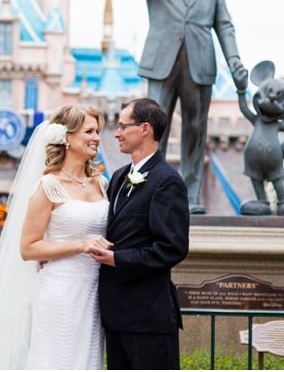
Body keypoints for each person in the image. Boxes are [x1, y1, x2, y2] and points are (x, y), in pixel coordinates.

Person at [0, 104, 111, 369]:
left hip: (95, 291)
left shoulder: (102, 183)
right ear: (67, 138)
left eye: (98, 131)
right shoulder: (48, 185)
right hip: (60, 290)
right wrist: (81, 245)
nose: (96, 137)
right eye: (89, 131)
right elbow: (28, 248)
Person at [127, 0, 248, 214]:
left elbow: (225, 25)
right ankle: (149, 191)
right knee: (153, 129)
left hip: (200, 63)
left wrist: (234, 60)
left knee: (196, 129)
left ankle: (191, 197)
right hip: (162, 62)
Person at [91, 98, 190, 369]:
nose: (116, 132)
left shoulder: (167, 180)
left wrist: (117, 259)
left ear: (145, 128)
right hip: (113, 315)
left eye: (123, 126)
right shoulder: (119, 177)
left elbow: (173, 248)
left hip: (149, 319)